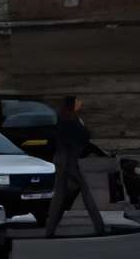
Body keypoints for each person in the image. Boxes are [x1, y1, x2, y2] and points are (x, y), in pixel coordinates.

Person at [45, 97, 107, 237]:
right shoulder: (68, 121)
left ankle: (50, 230)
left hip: (65, 160)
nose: (81, 104)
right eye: (78, 102)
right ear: (71, 105)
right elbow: (81, 140)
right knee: (83, 194)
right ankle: (100, 227)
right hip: (67, 160)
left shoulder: (70, 119)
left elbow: (83, 142)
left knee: (60, 197)